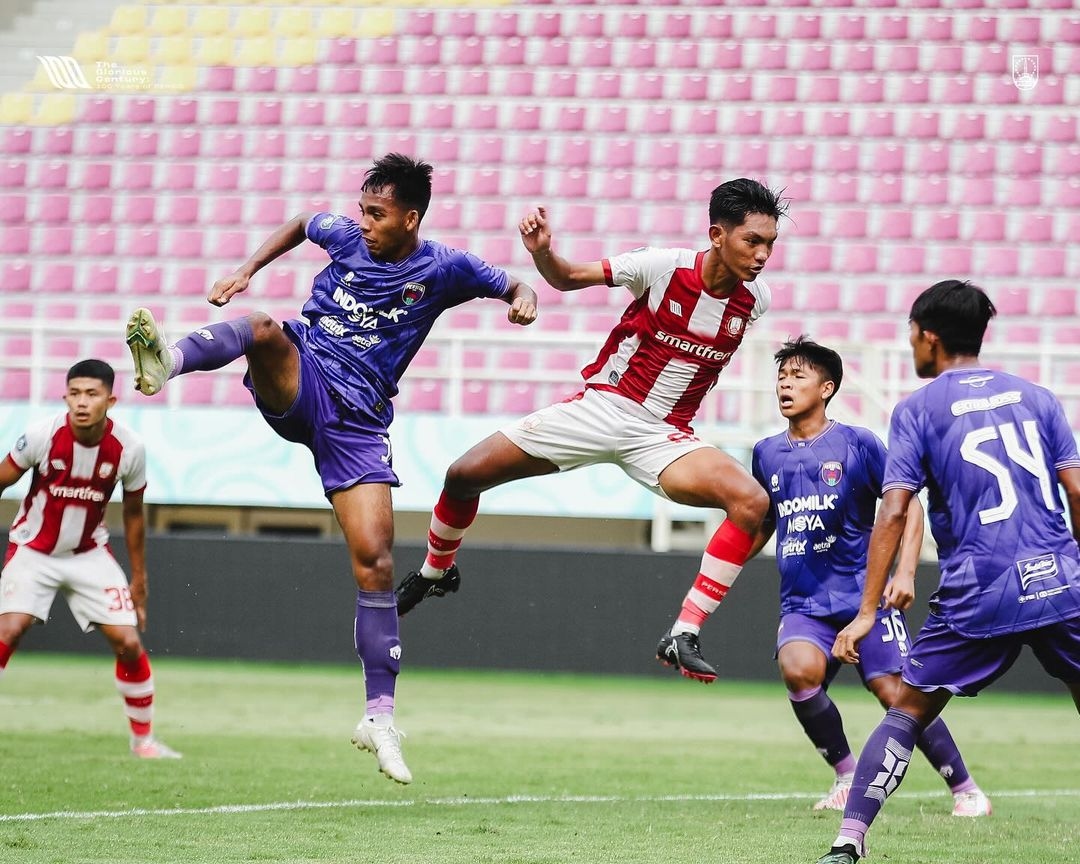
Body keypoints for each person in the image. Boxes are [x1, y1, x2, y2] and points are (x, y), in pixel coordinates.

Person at [124, 153, 538, 784]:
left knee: (376, 562)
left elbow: (513, 284)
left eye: (377, 214)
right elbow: (301, 221)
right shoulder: (344, 235)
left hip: (360, 425)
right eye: (361, 210)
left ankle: (379, 718)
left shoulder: (445, 268)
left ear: (410, 218)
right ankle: (167, 362)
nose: (362, 222)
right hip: (305, 378)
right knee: (262, 327)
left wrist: (524, 298)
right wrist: (246, 269)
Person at [395, 179, 783, 684]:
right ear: (717, 235)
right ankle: (436, 570)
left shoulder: (756, 300)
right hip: (602, 408)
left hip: (663, 435)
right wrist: (543, 253)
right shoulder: (662, 266)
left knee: (753, 505)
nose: (762, 255)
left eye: (770, 243)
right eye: (752, 241)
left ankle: (684, 631)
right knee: (463, 475)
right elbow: (567, 277)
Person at [814, 280, 1080, 864]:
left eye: (911, 333)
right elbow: (1077, 492)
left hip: (982, 587)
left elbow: (894, 511)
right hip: (1061, 577)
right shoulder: (1038, 397)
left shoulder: (918, 409)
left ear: (929, 337)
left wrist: (866, 612)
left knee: (908, 710)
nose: (910, 343)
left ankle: (848, 842)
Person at [747, 336, 988, 815]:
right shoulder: (765, 453)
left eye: (797, 376)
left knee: (896, 693)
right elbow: (762, 521)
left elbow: (908, 505)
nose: (785, 385)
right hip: (803, 602)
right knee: (797, 670)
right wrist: (721, 570)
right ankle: (846, 776)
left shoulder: (858, 443)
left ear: (827, 388)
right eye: (781, 376)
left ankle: (966, 789)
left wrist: (905, 571)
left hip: (865, 597)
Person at [0, 359, 180, 759]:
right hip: (33, 549)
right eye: (75, 394)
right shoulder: (42, 435)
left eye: (92, 394)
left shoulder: (129, 448)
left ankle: (144, 742)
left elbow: (133, 513)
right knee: (9, 630)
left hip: (89, 553)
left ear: (110, 401)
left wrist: (139, 579)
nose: (82, 402)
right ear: (65, 397)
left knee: (127, 642)